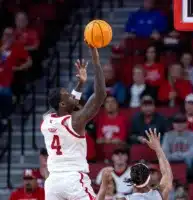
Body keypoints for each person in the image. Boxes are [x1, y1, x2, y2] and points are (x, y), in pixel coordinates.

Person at [41, 47, 107, 200]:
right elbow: (101, 94)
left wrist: (80, 84)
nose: (72, 96)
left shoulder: (46, 121)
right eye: (67, 95)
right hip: (73, 180)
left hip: (53, 182)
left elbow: (69, 105)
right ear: (63, 105)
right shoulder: (75, 120)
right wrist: (96, 60)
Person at [97, 128, 173, 200]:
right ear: (149, 178)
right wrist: (158, 149)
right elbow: (167, 175)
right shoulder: (159, 194)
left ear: (132, 182)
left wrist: (104, 184)